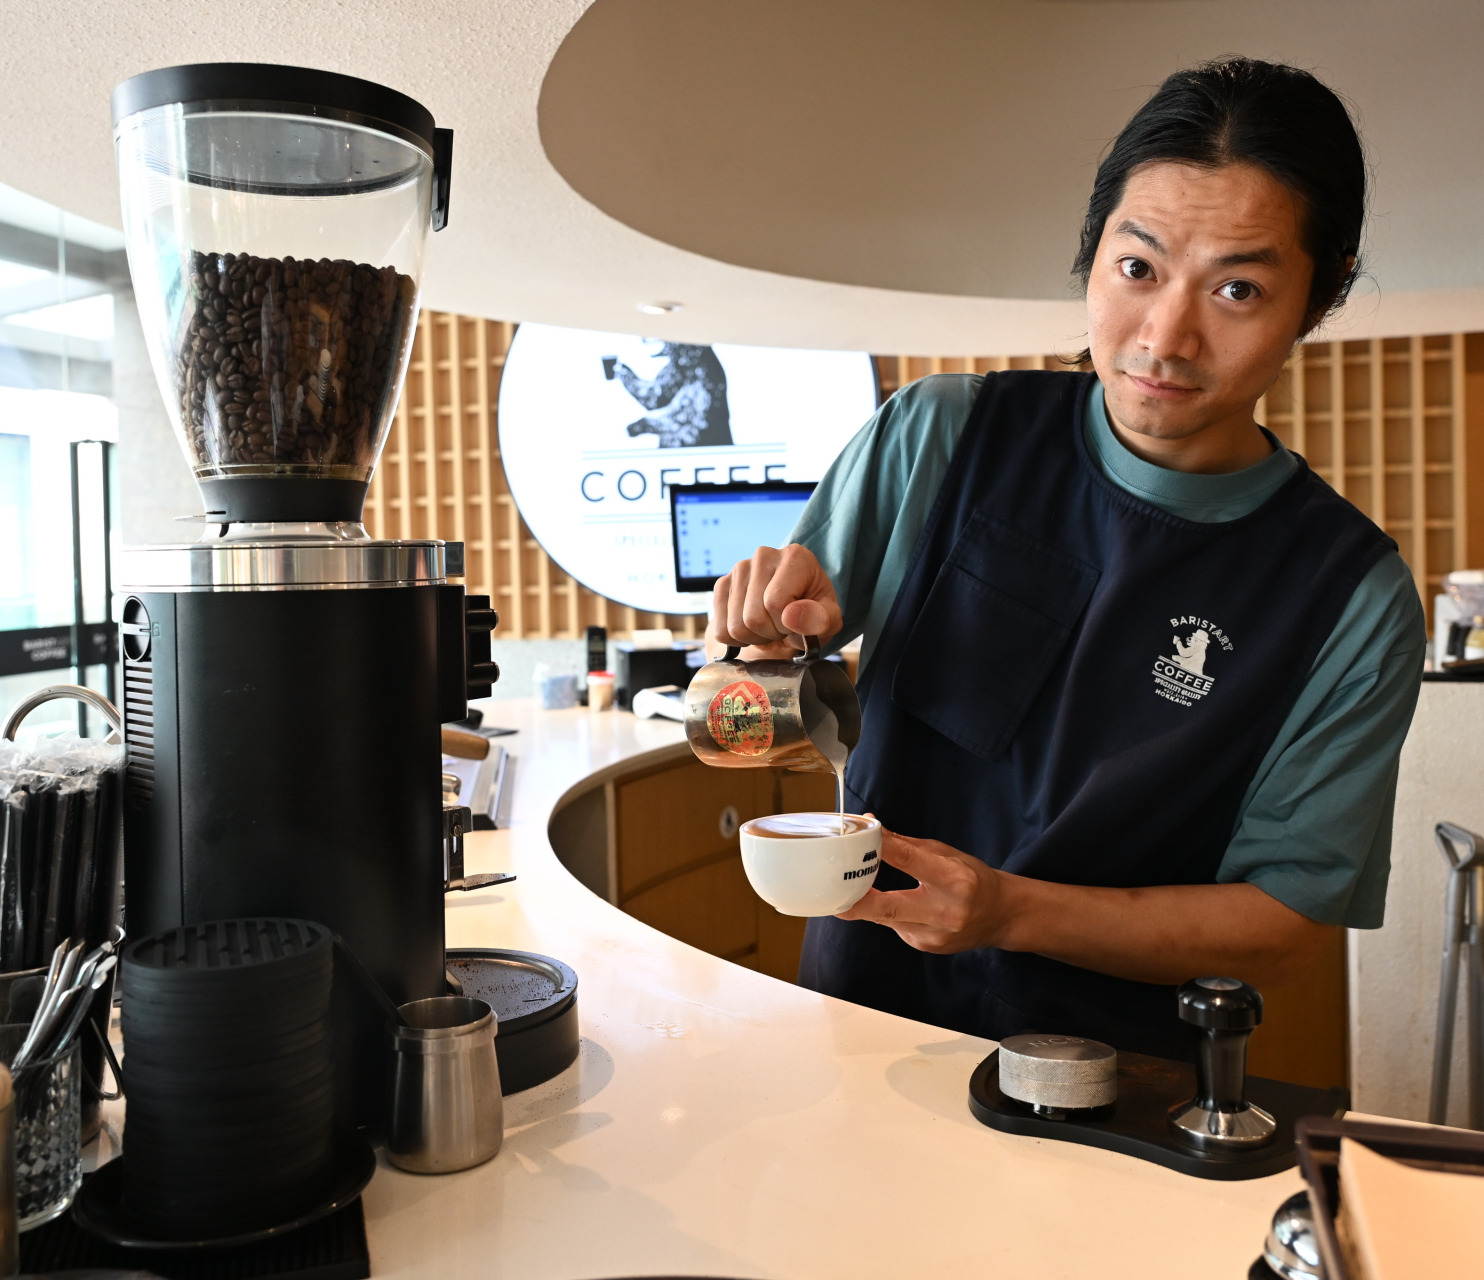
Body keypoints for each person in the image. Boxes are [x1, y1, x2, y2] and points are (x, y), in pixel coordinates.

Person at [709, 57, 1427, 1058]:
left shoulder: (1347, 595)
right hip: (861, 1021)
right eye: (1135, 268)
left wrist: (1004, 911)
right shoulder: (941, 434)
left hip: (1125, 1077)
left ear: (1321, 292)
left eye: (1235, 288)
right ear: (1090, 253)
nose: (1164, 337)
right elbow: (747, 716)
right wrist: (762, 651)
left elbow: (1281, 928)